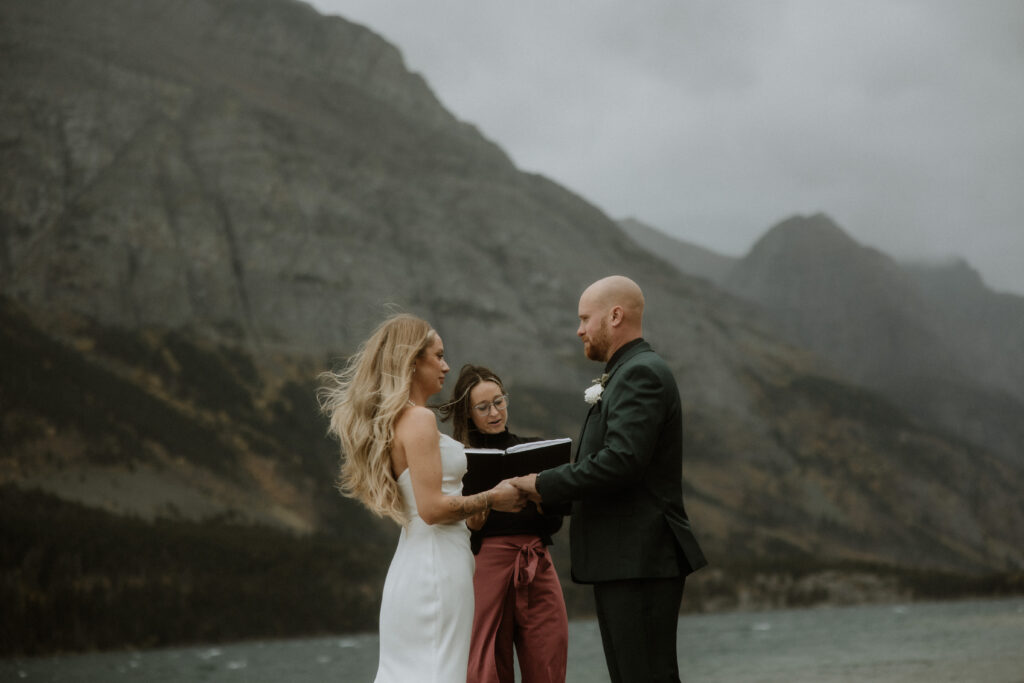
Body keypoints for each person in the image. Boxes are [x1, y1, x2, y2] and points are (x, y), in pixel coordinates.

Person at [511, 276, 707, 683]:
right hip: (626, 558)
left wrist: (543, 483)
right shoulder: (627, 372)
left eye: (585, 318)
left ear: (615, 316)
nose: (579, 329)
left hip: (639, 557)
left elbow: (622, 461)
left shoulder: (640, 374)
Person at [319, 314, 526, 683]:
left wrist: (475, 510)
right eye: (438, 355)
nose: (446, 366)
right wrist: (493, 497)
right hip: (435, 568)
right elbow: (431, 510)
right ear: (412, 360)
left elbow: (433, 504)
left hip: (424, 561)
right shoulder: (418, 421)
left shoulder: (400, 419)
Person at [440, 365, 569, 683]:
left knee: (550, 649)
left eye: (499, 401)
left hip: (536, 558)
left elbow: (554, 522)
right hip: (487, 564)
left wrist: (542, 498)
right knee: (487, 664)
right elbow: (457, 524)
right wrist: (478, 514)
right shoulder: (460, 459)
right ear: (468, 414)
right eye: (483, 407)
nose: (494, 412)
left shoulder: (534, 448)